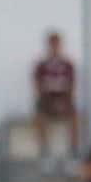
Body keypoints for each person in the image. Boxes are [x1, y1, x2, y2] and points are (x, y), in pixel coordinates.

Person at [32, 30, 80, 168]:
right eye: (52, 44)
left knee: (74, 115)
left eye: (56, 44)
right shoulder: (41, 65)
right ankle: (45, 152)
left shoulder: (68, 65)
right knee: (39, 115)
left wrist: (63, 101)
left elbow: (72, 85)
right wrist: (49, 101)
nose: (54, 47)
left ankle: (73, 151)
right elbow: (37, 86)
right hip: (47, 99)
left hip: (64, 98)